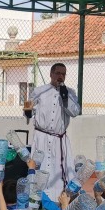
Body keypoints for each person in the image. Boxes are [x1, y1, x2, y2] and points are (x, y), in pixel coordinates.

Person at [28, 63, 80, 199]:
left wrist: (65, 97)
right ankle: (37, 197)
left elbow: (75, 112)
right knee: (40, 167)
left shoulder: (70, 93)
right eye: (58, 73)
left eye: (63, 74)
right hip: (42, 137)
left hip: (59, 139)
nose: (60, 76)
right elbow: (29, 108)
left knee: (60, 169)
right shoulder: (39, 91)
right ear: (51, 74)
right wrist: (28, 112)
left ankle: (59, 198)